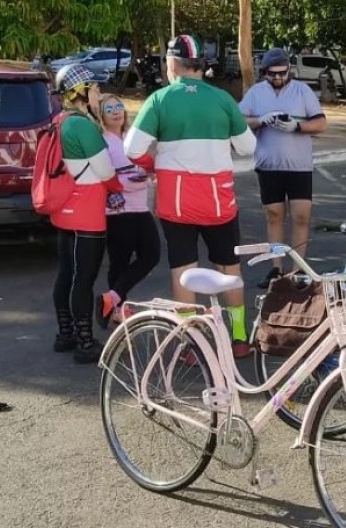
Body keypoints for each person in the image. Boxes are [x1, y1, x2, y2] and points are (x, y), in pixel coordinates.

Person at [125, 35, 257, 358]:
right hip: (219, 202)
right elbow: (248, 147)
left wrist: (155, 163)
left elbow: (131, 149)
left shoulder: (160, 100)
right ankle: (239, 337)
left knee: (183, 271)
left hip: (177, 203)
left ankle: (190, 342)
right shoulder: (223, 100)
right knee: (229, 268)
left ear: (172, 64)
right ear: (201, 66)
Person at [239, 48, 327, 288]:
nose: (278, 78)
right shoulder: (256, 93)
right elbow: (237, 120)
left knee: (301, 217)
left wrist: (297, 126)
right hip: (269, 166)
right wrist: (260, 120)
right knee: (274, 215)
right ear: (264, 72)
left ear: (289, 70)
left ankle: (298, 270)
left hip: (299, 167)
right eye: (272, 74)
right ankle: (276, 269)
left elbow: (320, 122)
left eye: (282, 73)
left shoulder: (302, 90)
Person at [49, 64, 119, 364]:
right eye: (95, 88)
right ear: (82, 91)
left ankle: (65, 334)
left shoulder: (60, 120)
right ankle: (85, 343)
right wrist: (116, 187)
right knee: (84, 279)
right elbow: (105, 170)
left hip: (65, 210)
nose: (99, 93)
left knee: (67, 274)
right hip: (87, 214)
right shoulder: (81, 125)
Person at [95, 94, 160, 330]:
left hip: (140, 207)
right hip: (117, 211)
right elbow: (106, 177)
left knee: (151, 255)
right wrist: (140, 180)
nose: (116, 111)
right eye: (109, 108)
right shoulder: (102, 141)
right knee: (119, 262)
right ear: (100, 115)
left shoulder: (131, 138)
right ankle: (117, 308)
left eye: (119, 106)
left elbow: (147, 167)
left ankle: (111, 299)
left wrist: (147, 174)